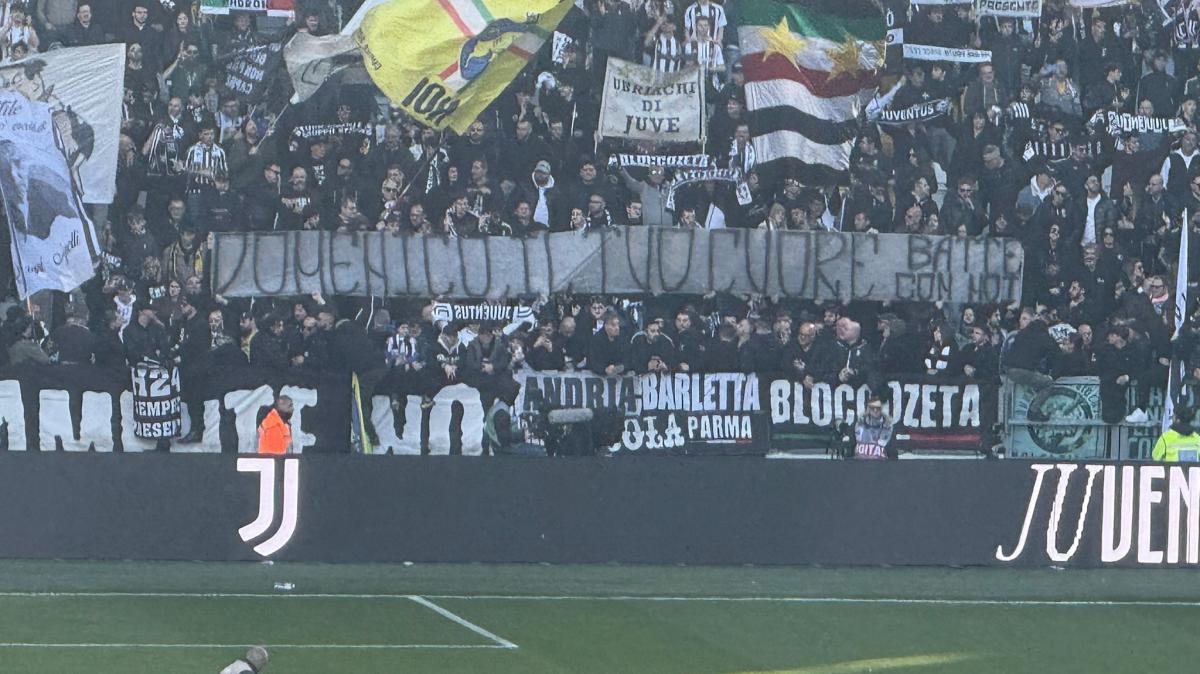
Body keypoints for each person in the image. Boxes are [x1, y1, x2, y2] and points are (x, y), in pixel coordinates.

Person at [853, 396, 894, 460]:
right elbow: (858, 439)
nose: (875, 410)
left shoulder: (887, 424)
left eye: (878, 408)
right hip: (861, 461)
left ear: (881, 408)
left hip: (880, 461)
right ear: (868, 408)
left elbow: (882, 442)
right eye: (872, 408)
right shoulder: (860, 422)